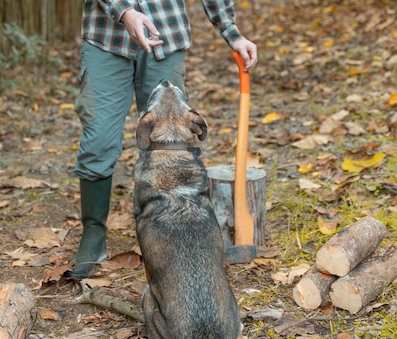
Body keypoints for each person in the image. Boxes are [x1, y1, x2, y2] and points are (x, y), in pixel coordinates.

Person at [69, 0, 258, 278]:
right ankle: (93, 234)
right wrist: (125, 12)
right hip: (105, 40)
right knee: (99, 142)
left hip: (164, 34)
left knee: (168, 140)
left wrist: (233, 33)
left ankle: (170, 231)